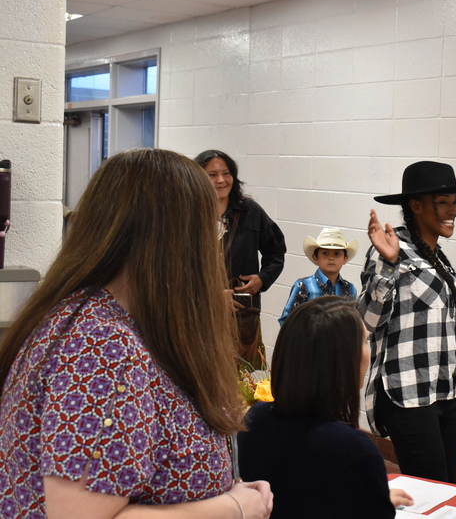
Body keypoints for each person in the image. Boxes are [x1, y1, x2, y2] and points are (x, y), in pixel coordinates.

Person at [0, 148, 273, 518]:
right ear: (175, 240)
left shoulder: (117, 323)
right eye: (212, 228)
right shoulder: (99, 345)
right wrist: (234, 508)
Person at [358, 160, 456, 483]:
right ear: (415, 206)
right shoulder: (390, 248)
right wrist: (388, 264)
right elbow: (368, 319)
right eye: (443, 202)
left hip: (446, 389)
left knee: (446, 488)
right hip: (407, 392)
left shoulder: (437, 256)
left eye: (455, 202)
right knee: (430, 491)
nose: (452, 210)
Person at [237, 296, 413, 518]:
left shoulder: (255, 419)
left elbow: (302, 496)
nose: (369, 352)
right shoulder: (354, 450)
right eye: (365, 342)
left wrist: (371, 496)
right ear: (343, 359)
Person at [195, 149, 286, 361]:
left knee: (246, 380)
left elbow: (276, 250)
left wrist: (263, 278)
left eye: (226, 173)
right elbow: (177, 267)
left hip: (243, 314)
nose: (221, 180)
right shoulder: (188, 213)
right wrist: (213, 293)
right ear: (198, 177)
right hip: (200, 312)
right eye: (212, 175)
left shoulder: (250, 211)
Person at [277, 227, 358, 325]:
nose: (331, 258)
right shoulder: (303, 286)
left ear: (345, 259)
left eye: (337, 254)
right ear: (315, 258)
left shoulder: (350, 289)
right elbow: (287, 320)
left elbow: (353, 322)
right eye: (325, 253)